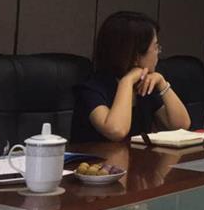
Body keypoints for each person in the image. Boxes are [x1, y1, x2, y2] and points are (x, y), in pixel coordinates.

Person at [71, 11, 191, 142]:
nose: (158, 53)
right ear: (135, 56)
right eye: (155, 47)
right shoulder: (92, 89)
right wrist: (127, 81)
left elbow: (181, 126)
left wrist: (162, 83)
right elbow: (116, 130)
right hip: (93, 156)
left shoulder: (145, 84)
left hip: (134, 155)